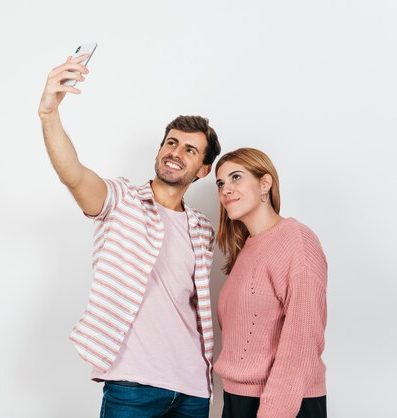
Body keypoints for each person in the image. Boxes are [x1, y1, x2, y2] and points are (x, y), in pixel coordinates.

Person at [39, 53, 222, 417]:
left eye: (189, 150)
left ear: (202, 170)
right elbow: (73, 174)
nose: (175, 153)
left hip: (194, 388)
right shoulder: (121, 199)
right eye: (171, 143)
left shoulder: (203, 228)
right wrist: (49, 113)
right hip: (133, 385)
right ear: (159, 149)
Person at [213, 148, 328, 418]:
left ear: (265, 184)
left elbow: (302, 340)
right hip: (239, 400)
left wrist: (273, 411)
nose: (225, 190)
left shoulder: (296, 240)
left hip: (282, 403)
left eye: (236, 177)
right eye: (220, 183)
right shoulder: (247, 249)